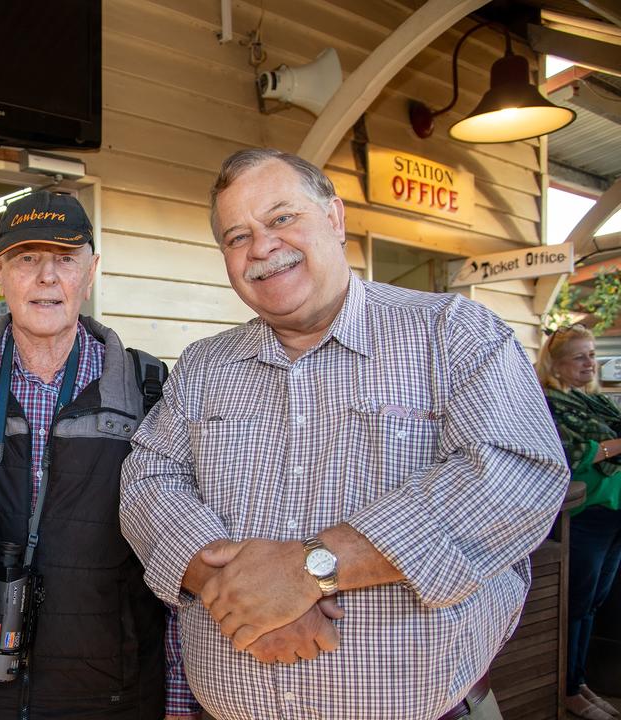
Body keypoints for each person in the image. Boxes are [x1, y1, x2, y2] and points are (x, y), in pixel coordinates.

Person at [119, 148, 570, 720]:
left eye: (281, 218)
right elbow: (147, 481)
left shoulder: (451, 334)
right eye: (237, 237)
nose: (261, 247)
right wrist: (229, 586)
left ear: (334, 219)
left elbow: (515, 478)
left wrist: (311, 569)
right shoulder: (206, 366)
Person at [0, 190, 194, 718]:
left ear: (91, 272)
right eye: (27, 259)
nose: (47, 277)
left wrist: (178, 700)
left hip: (111, 693)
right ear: (0, 271)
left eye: (65, 259)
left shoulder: (148, 388)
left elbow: (175, 555)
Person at [536, 323, 621, 720]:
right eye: (580, 356)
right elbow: (570, 454)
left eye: (592, 354)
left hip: (613, 515)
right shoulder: (550, 402)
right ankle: (567, 688)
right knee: (575, 604)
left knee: (593, 605)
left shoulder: (594, 402)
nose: (591, 362)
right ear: (557, 364)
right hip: (584, 516)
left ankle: (579, 681)